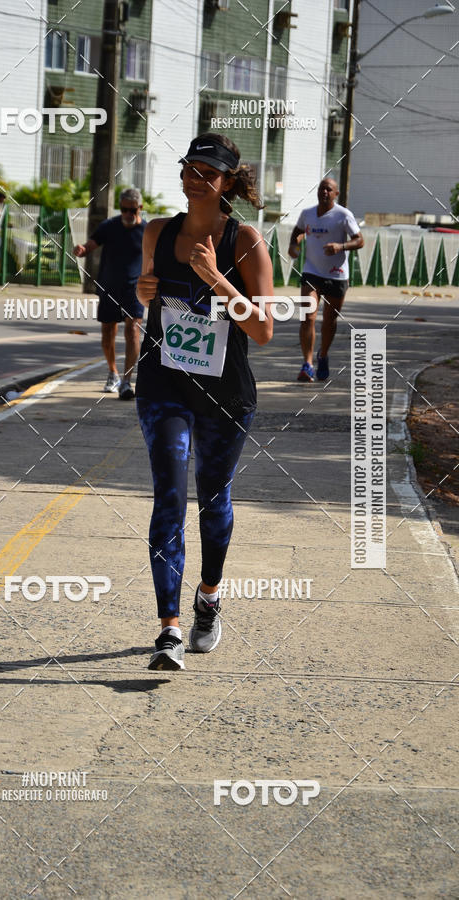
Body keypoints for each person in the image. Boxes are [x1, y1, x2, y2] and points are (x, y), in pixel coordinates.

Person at [135, 133, 273, 671]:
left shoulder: (246, 241)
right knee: (169, 496)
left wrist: (215, 278)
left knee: (213, 501)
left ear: (227, 183)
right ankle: (168, 629)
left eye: (208, 173)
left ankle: (209, 595)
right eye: (190, 169)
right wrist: (144, 292)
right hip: (164, 384)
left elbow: (263, 329)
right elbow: (147, 294)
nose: (195, 179)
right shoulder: (157, 231)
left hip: (225, 393)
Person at [288, 178, 364, 382]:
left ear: (336, 194)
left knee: (329, 321)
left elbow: (360, 240)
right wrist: (294, 245)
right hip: (311, 272)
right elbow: (298, 231)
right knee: (308, 317)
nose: (324, 192)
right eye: (322, 188)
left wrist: (341, 247)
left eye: (329, 189)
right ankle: (307, 364)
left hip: (336, 274)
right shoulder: (307, 214)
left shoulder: (343, 215)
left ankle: (323, 355)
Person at [74, 188, 145, 400]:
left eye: (132, 210)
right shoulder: (109, 226)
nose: (128, 214)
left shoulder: (147, 230)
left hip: (134, 290)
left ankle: (127, 381)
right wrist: (82, 249)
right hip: (109, 287)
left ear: (140, 208)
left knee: (133, 330)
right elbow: (91, 244)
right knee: (108, 332)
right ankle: (113, 372)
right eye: (124, 209)